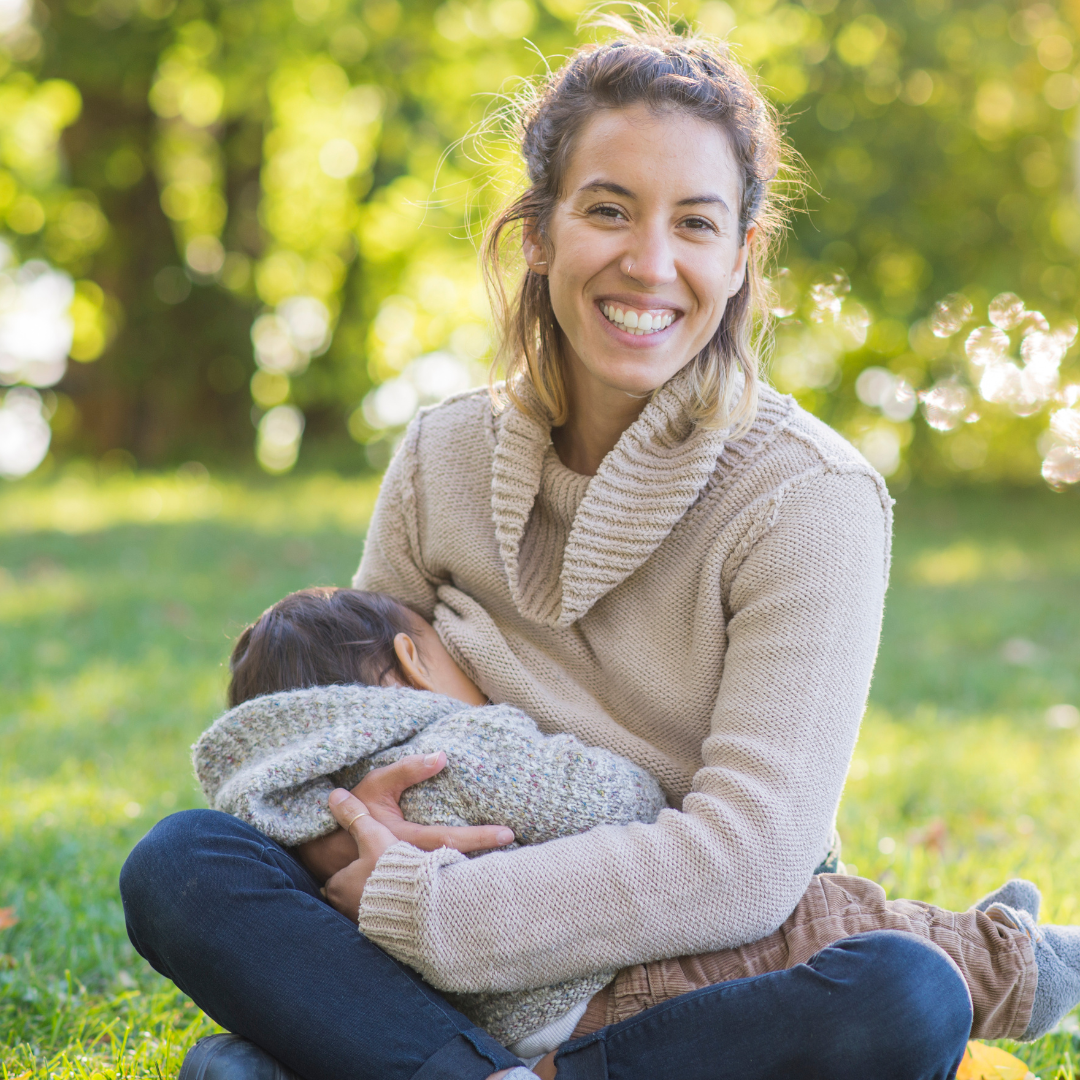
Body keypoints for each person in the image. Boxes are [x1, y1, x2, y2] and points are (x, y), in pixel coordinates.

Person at [121, 12, 977, 1080]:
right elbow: (343, 719)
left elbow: (748, 862)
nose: (650, 263)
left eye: (697, 224)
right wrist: (355, 836)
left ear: (744, 253)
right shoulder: (444, 454)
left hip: (681, 976)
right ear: (539, 231)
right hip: (436, 958)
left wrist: (433, 907)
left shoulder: (809, 497)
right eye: (608, 210)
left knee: (902, 998)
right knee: (184, 865)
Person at [194, 584, 1080, 1072]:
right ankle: (1015, 960)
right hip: (613, 997)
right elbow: (617, 809)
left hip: (467, 1029)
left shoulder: (283, 815)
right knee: (840, 932)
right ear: (414, 658)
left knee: (183, 871)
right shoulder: (459, 745)